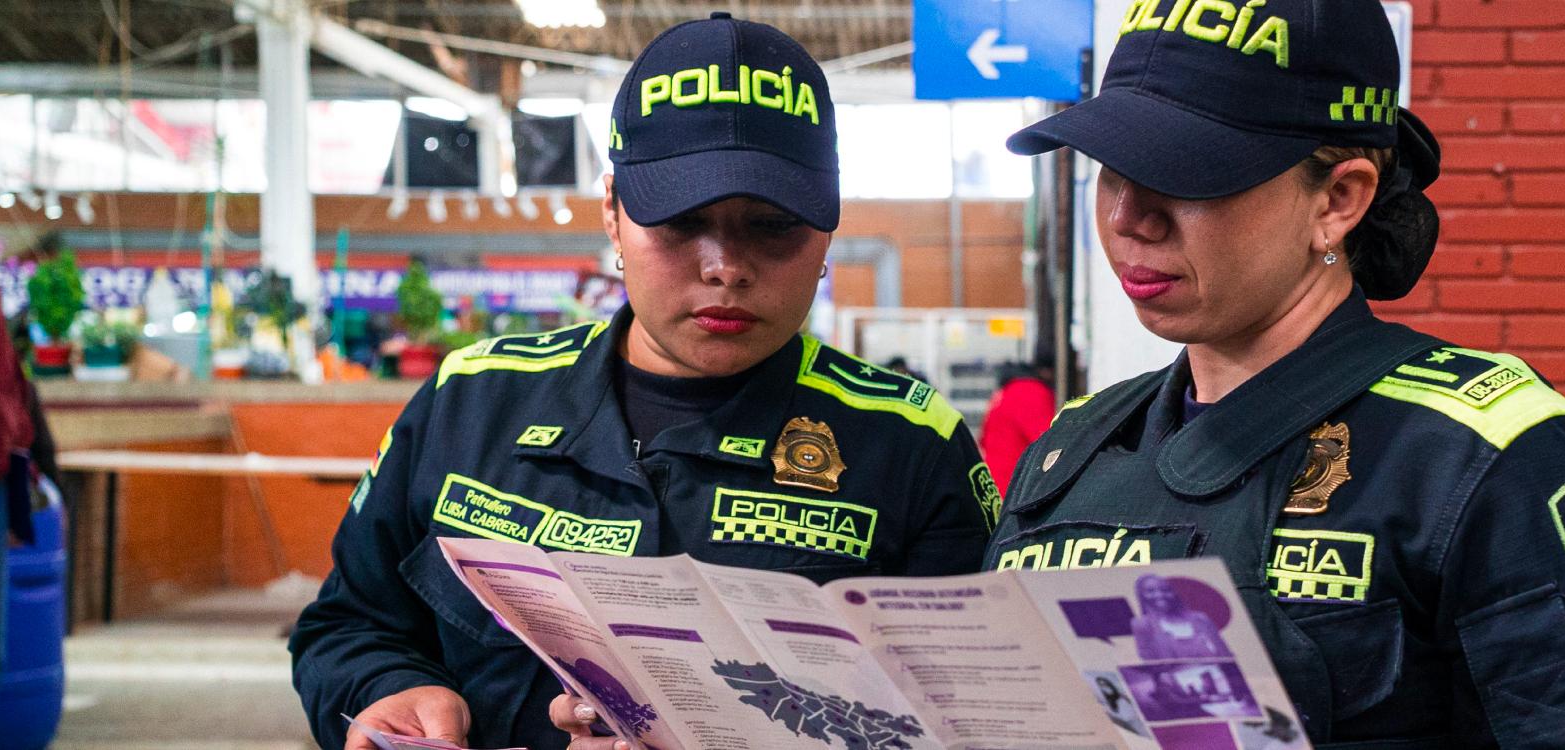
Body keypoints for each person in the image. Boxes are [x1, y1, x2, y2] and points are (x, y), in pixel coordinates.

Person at [290, 14, 997, 750]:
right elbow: (348, 624)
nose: (726, 265)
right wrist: (394, 688)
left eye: (772, 224)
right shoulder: (469, 404)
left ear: (828, 227)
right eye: (682, 221)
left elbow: (978, 718)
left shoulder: (913, 449)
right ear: (612, 213)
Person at [987, 1, 1565, 747]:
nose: (1127, 218)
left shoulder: (1480, 456)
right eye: (1112, 170)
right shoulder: (1068, 452)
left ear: (1338, 200)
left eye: (1185, 175)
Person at [978, 351, 1055, 492]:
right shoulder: (1032, 392)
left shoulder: (1004, 392)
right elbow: (1049, 443)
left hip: (994, 487)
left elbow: (983, 439)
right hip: (1015, 488)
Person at [1130, 574, 1229, 660]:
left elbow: (1226, 654)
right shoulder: (1142, 625)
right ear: (1141, 596)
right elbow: (1150, 662)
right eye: (1150, 591)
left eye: (1165, 590)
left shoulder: (1200, 619)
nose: (1159, 595)